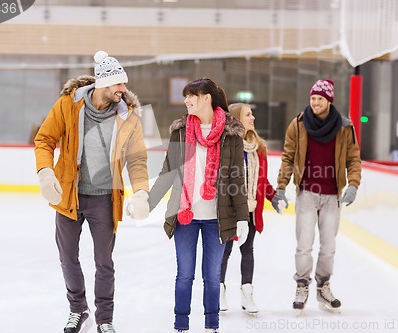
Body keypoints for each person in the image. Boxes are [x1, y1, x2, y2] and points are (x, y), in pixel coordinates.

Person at [34, 50, 150, 333]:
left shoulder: (127, 117)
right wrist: (46, 172)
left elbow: (137, 159)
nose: (124, 89)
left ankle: (105, 319)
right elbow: (45, 139)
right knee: (68, 257)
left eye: (124, 84)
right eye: (119, 84)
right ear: (103, 84)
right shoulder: (69, 105)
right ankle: (78, 309)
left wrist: (142, 192)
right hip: (69, 195)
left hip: (104, 199)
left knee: (104, 262)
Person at [146, 78, 250, 333]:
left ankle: (211, 326)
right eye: (186, 96)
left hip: (218, 216)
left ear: (207, 98)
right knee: (184, 275)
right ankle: (181, 325)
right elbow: (168, 172)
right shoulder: (181, 131)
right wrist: (147, 203)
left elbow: (237, 176)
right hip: (185, 216)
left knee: (212, 277)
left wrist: (242, 217)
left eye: (191, 95)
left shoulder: (230, 133)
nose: (186, 100)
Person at [274, 79, 361, 313]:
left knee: (329, 246)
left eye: (320, 99)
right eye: (313, 98)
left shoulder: (344, 127)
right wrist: (281, 187)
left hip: (332, 195)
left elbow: (353, 159)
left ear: (329, 101)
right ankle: (302, 286)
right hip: (307, 194)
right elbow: (288, 157)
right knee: (304, 245)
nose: (315, 102)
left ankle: (323, 287)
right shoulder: (298, 124)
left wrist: (353, 185)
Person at [219, 103, 281, 314]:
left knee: (247, 250)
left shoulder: (259, 148)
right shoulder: (226, 146)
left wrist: (274, 198)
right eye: (248, 114)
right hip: (230, 210)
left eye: (252, 113)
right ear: (237, 119)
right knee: (224, 251)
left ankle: (247, 293)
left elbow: (263, 181)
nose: (253, 118)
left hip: (252, 209)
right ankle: (218, 290)